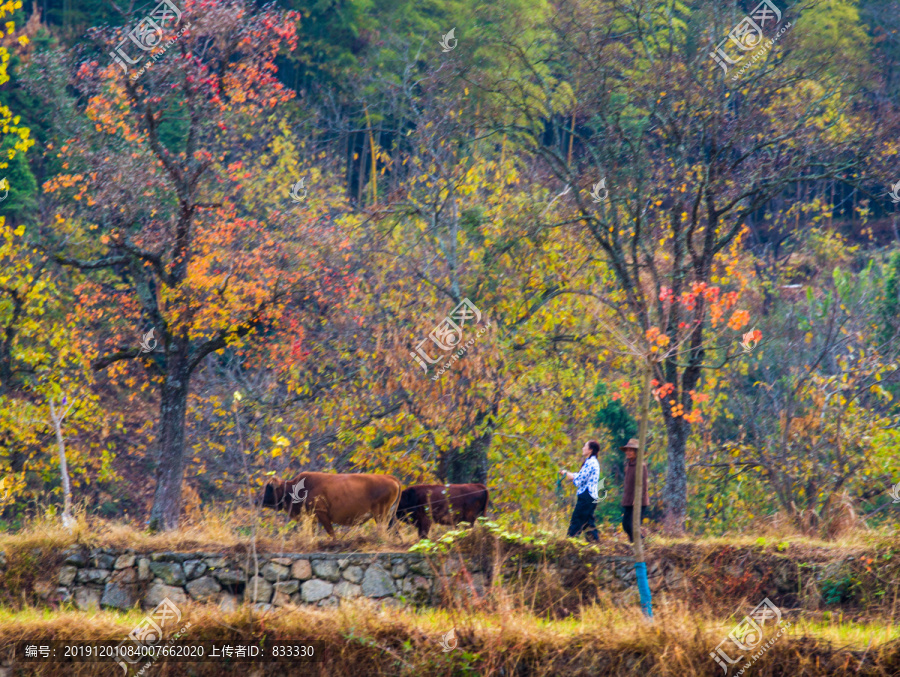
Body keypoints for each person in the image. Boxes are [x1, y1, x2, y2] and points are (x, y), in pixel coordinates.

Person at [559, 439, 601, 542]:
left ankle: (569, 543)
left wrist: (568, 475)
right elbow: (581, 476)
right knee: (588, 524)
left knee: (577, 520)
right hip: (591, 496)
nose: (583, 448)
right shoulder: (591, 462)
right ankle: (595, 544)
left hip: (586, 496)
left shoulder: (591, 463)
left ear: (590, 450)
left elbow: (580, 480)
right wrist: (570, 474)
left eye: (585, 446)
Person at [620, 438, 649, 543]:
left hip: (638, 502)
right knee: (626, 525)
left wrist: (638, 499)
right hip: (628, 501)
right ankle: (635, 543)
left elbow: (644, 485)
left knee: (633, 525)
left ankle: (640, 543)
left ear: (636, 452)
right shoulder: (628, 465)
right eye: (627, 450)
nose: (628, 452)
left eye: (631, 450)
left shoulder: (641, 465)